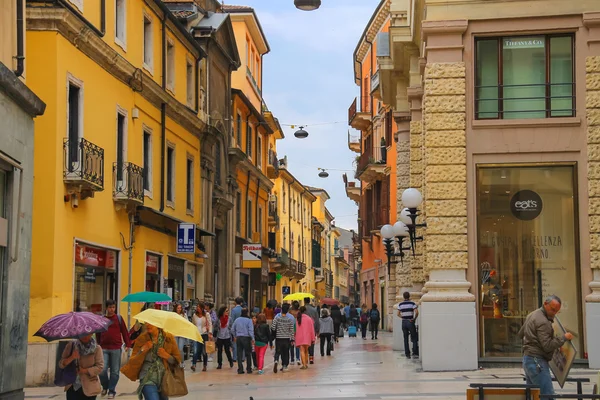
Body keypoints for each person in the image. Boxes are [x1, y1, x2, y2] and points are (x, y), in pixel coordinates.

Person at [519, 295, 574, 398]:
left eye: (556, 311)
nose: (554, 313)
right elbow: (547, 346)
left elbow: (520, 334)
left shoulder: (532, 314)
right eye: (553, 310)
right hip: (537, 361)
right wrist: (563, 338)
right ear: (545, 304)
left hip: (528, 359)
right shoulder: (543, 321)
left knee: (533, 396)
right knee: (547, 396)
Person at [121, 323, 181, 400]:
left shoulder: (168, 338)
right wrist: (143, 350)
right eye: (147, 323)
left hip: (164, 378)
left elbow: (177, 360)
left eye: (151, 323)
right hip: (147, 376)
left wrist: (167, 356)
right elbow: (133, 360)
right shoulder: (142, 339)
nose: (148, 325)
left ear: (158, 325)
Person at [97, 299, 130, 399]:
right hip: (104, 348)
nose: (112, 309)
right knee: (102, 370)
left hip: (116, 348)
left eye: (113, 307)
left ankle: (111, 390)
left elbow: (124, 331)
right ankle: (105, 386)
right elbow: (98, 332)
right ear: (106, 308)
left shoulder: (119, 318)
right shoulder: (102, 319)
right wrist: (98, 344)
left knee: (115, 371)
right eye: (110, 307)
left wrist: (128, 343)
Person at [58, 334, 104, 400]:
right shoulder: (71, 346)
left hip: (90, 386)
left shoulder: (97, 348)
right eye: (82, 334)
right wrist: (72, 357)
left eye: (87, 333)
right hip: (72, 386)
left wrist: (84, 370)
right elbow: (61, 364)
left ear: (91, 333)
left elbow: (100, 367)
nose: (85, 336)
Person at [271, 303, 295, 373]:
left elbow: (273, 327)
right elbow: (291, 330)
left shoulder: (277, 318)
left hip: (278, 338)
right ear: (287, 310)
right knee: (285, 352)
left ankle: (276, 360)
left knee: (278, 351)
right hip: (286, 338)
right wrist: (292, 339)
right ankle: (284, 366)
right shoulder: (289, 319)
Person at [231, 308, 254, 374]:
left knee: (239, 354)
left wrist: (235, 336)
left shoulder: (237, 320)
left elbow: (232, 329)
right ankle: (249, 369)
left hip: (239, 338)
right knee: (248, 354)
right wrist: (252, 338)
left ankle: (240, 369)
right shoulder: (249, 320)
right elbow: (250, 330)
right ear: (247, 313)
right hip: (246, 338)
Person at [191, 302, 212, 372]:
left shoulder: (206, 315)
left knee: (204, 351)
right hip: (197, 334)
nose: (197, 308)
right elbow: (193, 324)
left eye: (199, 307)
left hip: (204, 333)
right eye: (197, 307)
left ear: (202, 308)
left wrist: (210, 332)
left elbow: (210, 324)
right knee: (195, 350)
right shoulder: (194, 315)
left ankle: (205, 365)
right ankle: (194, 364)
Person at [398, 292, 419, 358]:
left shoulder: (400, 304)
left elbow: (398, 314)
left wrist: (403, 317)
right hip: (410, 321)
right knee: (414, 337)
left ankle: (407, 353)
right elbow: (417, 312)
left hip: (404, 322)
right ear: (409, 296)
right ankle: (415, 352)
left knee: (405, 338)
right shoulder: (412, 303)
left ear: (403, 297)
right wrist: (414, 319)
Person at [303, 297, 320, 365]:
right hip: (312, 328)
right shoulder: (314, 309)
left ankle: (305, 357)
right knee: (312, 343)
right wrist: (317, 330)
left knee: (305, 343)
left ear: (304, 301)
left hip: (304, 329)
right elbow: (317, 320)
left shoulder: (302, 309)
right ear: (309, 301)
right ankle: (311, 357)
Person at [172, 303, 188, 368]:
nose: (179, 309)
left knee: (180, 349)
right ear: (175, 308)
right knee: (176, 348)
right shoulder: (173, 315)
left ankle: (182, 361)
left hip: (181, 333)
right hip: (175, 333)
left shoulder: (184, 315)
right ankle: (177, 362)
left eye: (180, 308)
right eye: (178, 308)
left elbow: (186, 323)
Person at [228, 297, 244, 362]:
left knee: (235, 343)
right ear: (241, 303)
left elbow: (232, 320)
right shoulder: (243, 309)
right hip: (243, 328)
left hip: (236, 328)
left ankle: (235, 357)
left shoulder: (233, 310)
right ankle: (242, 357)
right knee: (242, 343)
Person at [288, 301, 300, 365]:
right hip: (298, 329)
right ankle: (298, 358)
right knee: (297, 345)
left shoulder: (290, 312)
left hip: (291, 329)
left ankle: (292, 359)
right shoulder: (299, 312)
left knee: (291, 345)